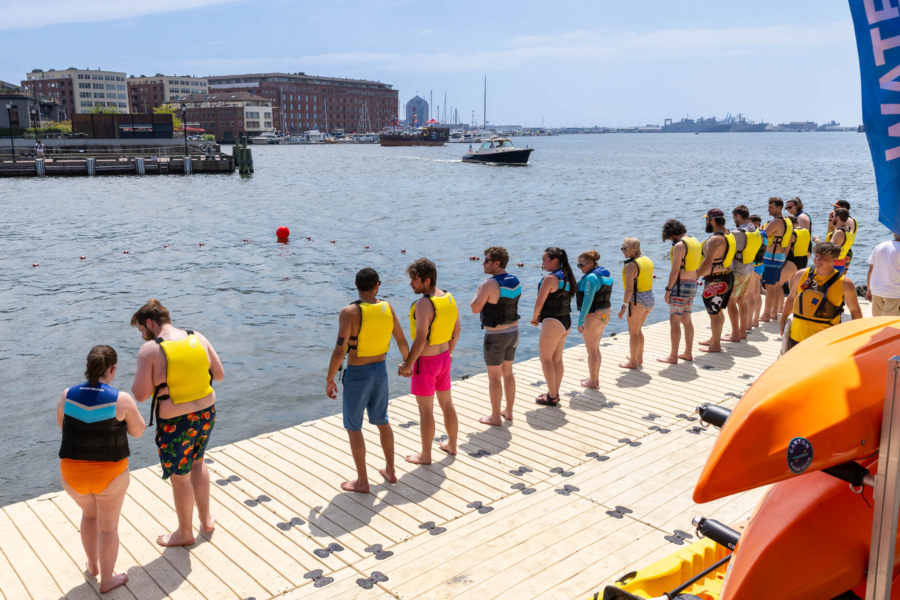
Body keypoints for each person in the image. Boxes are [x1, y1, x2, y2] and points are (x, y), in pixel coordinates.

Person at [131, 299, 224, 547]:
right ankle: (205, 521)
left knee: (180, 477)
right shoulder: (198, 337)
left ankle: (185, 533)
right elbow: (219, 375)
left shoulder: (150, 349)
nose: (142, 336)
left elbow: (140, 394)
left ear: (150, 323)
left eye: (141, 329)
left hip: (175, 422)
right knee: (198, 462)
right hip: (206, 413)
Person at [58, 346, 145, 593]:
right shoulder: (122, 399)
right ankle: (107, 580)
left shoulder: (67, 395)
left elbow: (62, 425)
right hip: (110, 476)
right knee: (108, 527)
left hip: (72, 476)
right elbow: (138, 432)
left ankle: (93, 566)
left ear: (88, 367)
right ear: (112, 369)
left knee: (89, 514)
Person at [326, 268, 410, 492]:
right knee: (382, 420)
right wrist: (407, 365)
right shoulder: (387, 308)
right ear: (377, 286)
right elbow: (402, 340)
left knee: (354, 426)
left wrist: (330, 379)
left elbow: (338, 351)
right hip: (380, 372)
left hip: (358, 374)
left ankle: (363, 481)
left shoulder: (349, 312)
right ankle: (391, 470)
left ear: (356, 285)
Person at [398, 258, 460, 463]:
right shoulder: (448, 297)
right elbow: (456, 330)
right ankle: (452, 445)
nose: (411, 284)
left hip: (426, 364)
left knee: (426, 411)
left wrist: (408, 365)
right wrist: (448, 353)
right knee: (447, 404)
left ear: (426, 280)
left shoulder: (424, 303)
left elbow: (421, 338)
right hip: (444, 359)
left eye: (414, 280)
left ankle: (426, 455)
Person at [471, 246, 521, 424]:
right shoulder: (515, 280)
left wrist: (478, 291)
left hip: (496, 335)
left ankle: (494, 416)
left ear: (497, 263)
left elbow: (475, 308)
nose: (483, 263)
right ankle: (508, 411)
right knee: (508, 373)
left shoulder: (488, 284)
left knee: (494, 377)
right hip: (513, 332)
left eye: (487, 260)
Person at [781, 242, 863, 350]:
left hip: (826, 340)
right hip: (797, 336)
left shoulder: (845, 284)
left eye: (824, 258)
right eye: (817, 256)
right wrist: (783, 320)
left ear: (834, 260)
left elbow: (855, 311)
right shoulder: (801, 274)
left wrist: (857, 337)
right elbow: (791, 298)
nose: (818, 260)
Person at [531, 247, 577, 403]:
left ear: (554, 261)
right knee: (557, 360)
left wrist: (535, 317)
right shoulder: (568, 275)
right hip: (566, 321)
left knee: (546, 360)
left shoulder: (550, 278)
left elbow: (539, 302)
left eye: (545, 260)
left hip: (553, 322)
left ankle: (552, 396)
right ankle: (554, 392)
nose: (542, 263)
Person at [659, 219, 701, 364]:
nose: (670, 240)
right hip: (692, 283)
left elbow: (675, 270)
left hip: (679, 286)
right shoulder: (695, 241)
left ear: (672, 233)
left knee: (675, 321)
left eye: (669, 237)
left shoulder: (679, 246)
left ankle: (673, 356)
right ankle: (688, 353)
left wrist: (668, 289)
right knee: (687, 320)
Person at [698, 208, 736, 353]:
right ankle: (715, 339)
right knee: (717, 311)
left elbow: (708, 262)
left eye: (707, 219)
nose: (706, 222)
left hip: (716, 280)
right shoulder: (728, 234)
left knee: (714, 313)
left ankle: (716, 346)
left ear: (712, 220)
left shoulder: (715, 240)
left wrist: (696, 275)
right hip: (728, 276)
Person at [575, 249, 613, 386]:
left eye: (582, 265)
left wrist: (580, 321)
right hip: (605, 313)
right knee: (595, 349)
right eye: (578, 265)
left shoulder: (591, 278)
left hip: (593, 316)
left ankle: (592, 381)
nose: (580, 268)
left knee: (591, 351)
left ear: (591, 262)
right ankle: (594, 379)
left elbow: (587, 300)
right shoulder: (605, 272)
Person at [618, 238, 654, 369]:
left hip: (637, 300)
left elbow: (629, 289)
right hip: (649, 297)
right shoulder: (647, 260)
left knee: (633, 333)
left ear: (634, 248)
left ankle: (632, 362)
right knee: (638, 330)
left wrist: (623, 307)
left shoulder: (631, 265)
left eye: (625, 249)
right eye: (622, 249)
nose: (623, 252)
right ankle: (638, 357)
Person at [730, 205, 763, 339]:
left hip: (738, 270)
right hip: (750, 268)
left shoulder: (737, 233)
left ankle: (735, 334)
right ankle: (742, 332)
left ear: (738, 216)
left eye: (734, 218)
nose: (734, 221)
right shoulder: (756, 231)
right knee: (741, 300)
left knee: (731, 301)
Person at [761, 197, 793, 322]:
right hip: (779, 257)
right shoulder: (787, 220)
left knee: (769, 288)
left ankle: (766, 315)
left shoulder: (776, 222)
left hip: (771, 257)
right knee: (774, 287)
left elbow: (762, 234)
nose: (768, 209)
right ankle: (773, 313)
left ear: (779, 208)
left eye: (771, 207)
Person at [820, 200, 858, 275]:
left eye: (836, 208)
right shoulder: (839, 222)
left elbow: (843, 237)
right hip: (839, 251)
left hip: (842, 252)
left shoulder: (848, 221)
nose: (834, 210)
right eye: (834, 208)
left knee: (838, 278)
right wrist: (831, 219)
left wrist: (818, 241)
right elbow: (830, 231)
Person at [866, 233, 900, 316]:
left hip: (876, 290)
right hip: (893, 292)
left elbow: (870, 270)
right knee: (889, 324)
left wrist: (868, 289)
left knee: (878, 322)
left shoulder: (880, 246)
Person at [748, 214, 766, 328]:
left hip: (753, 265)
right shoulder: (764, 234)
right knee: (757, 292)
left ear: (756, 223)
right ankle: (755, 319)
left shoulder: (755, 234)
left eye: (750, 222)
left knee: (750, 294)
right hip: (760, 264)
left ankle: (749, 322)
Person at [829, 208, 856, 275]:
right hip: (841, 263)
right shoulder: (849, 230)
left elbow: (829, 249)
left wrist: (817, 240)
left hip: (834, 264)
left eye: (833, 216)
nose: (832, 218)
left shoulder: (839, 232)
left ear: (838, 218)